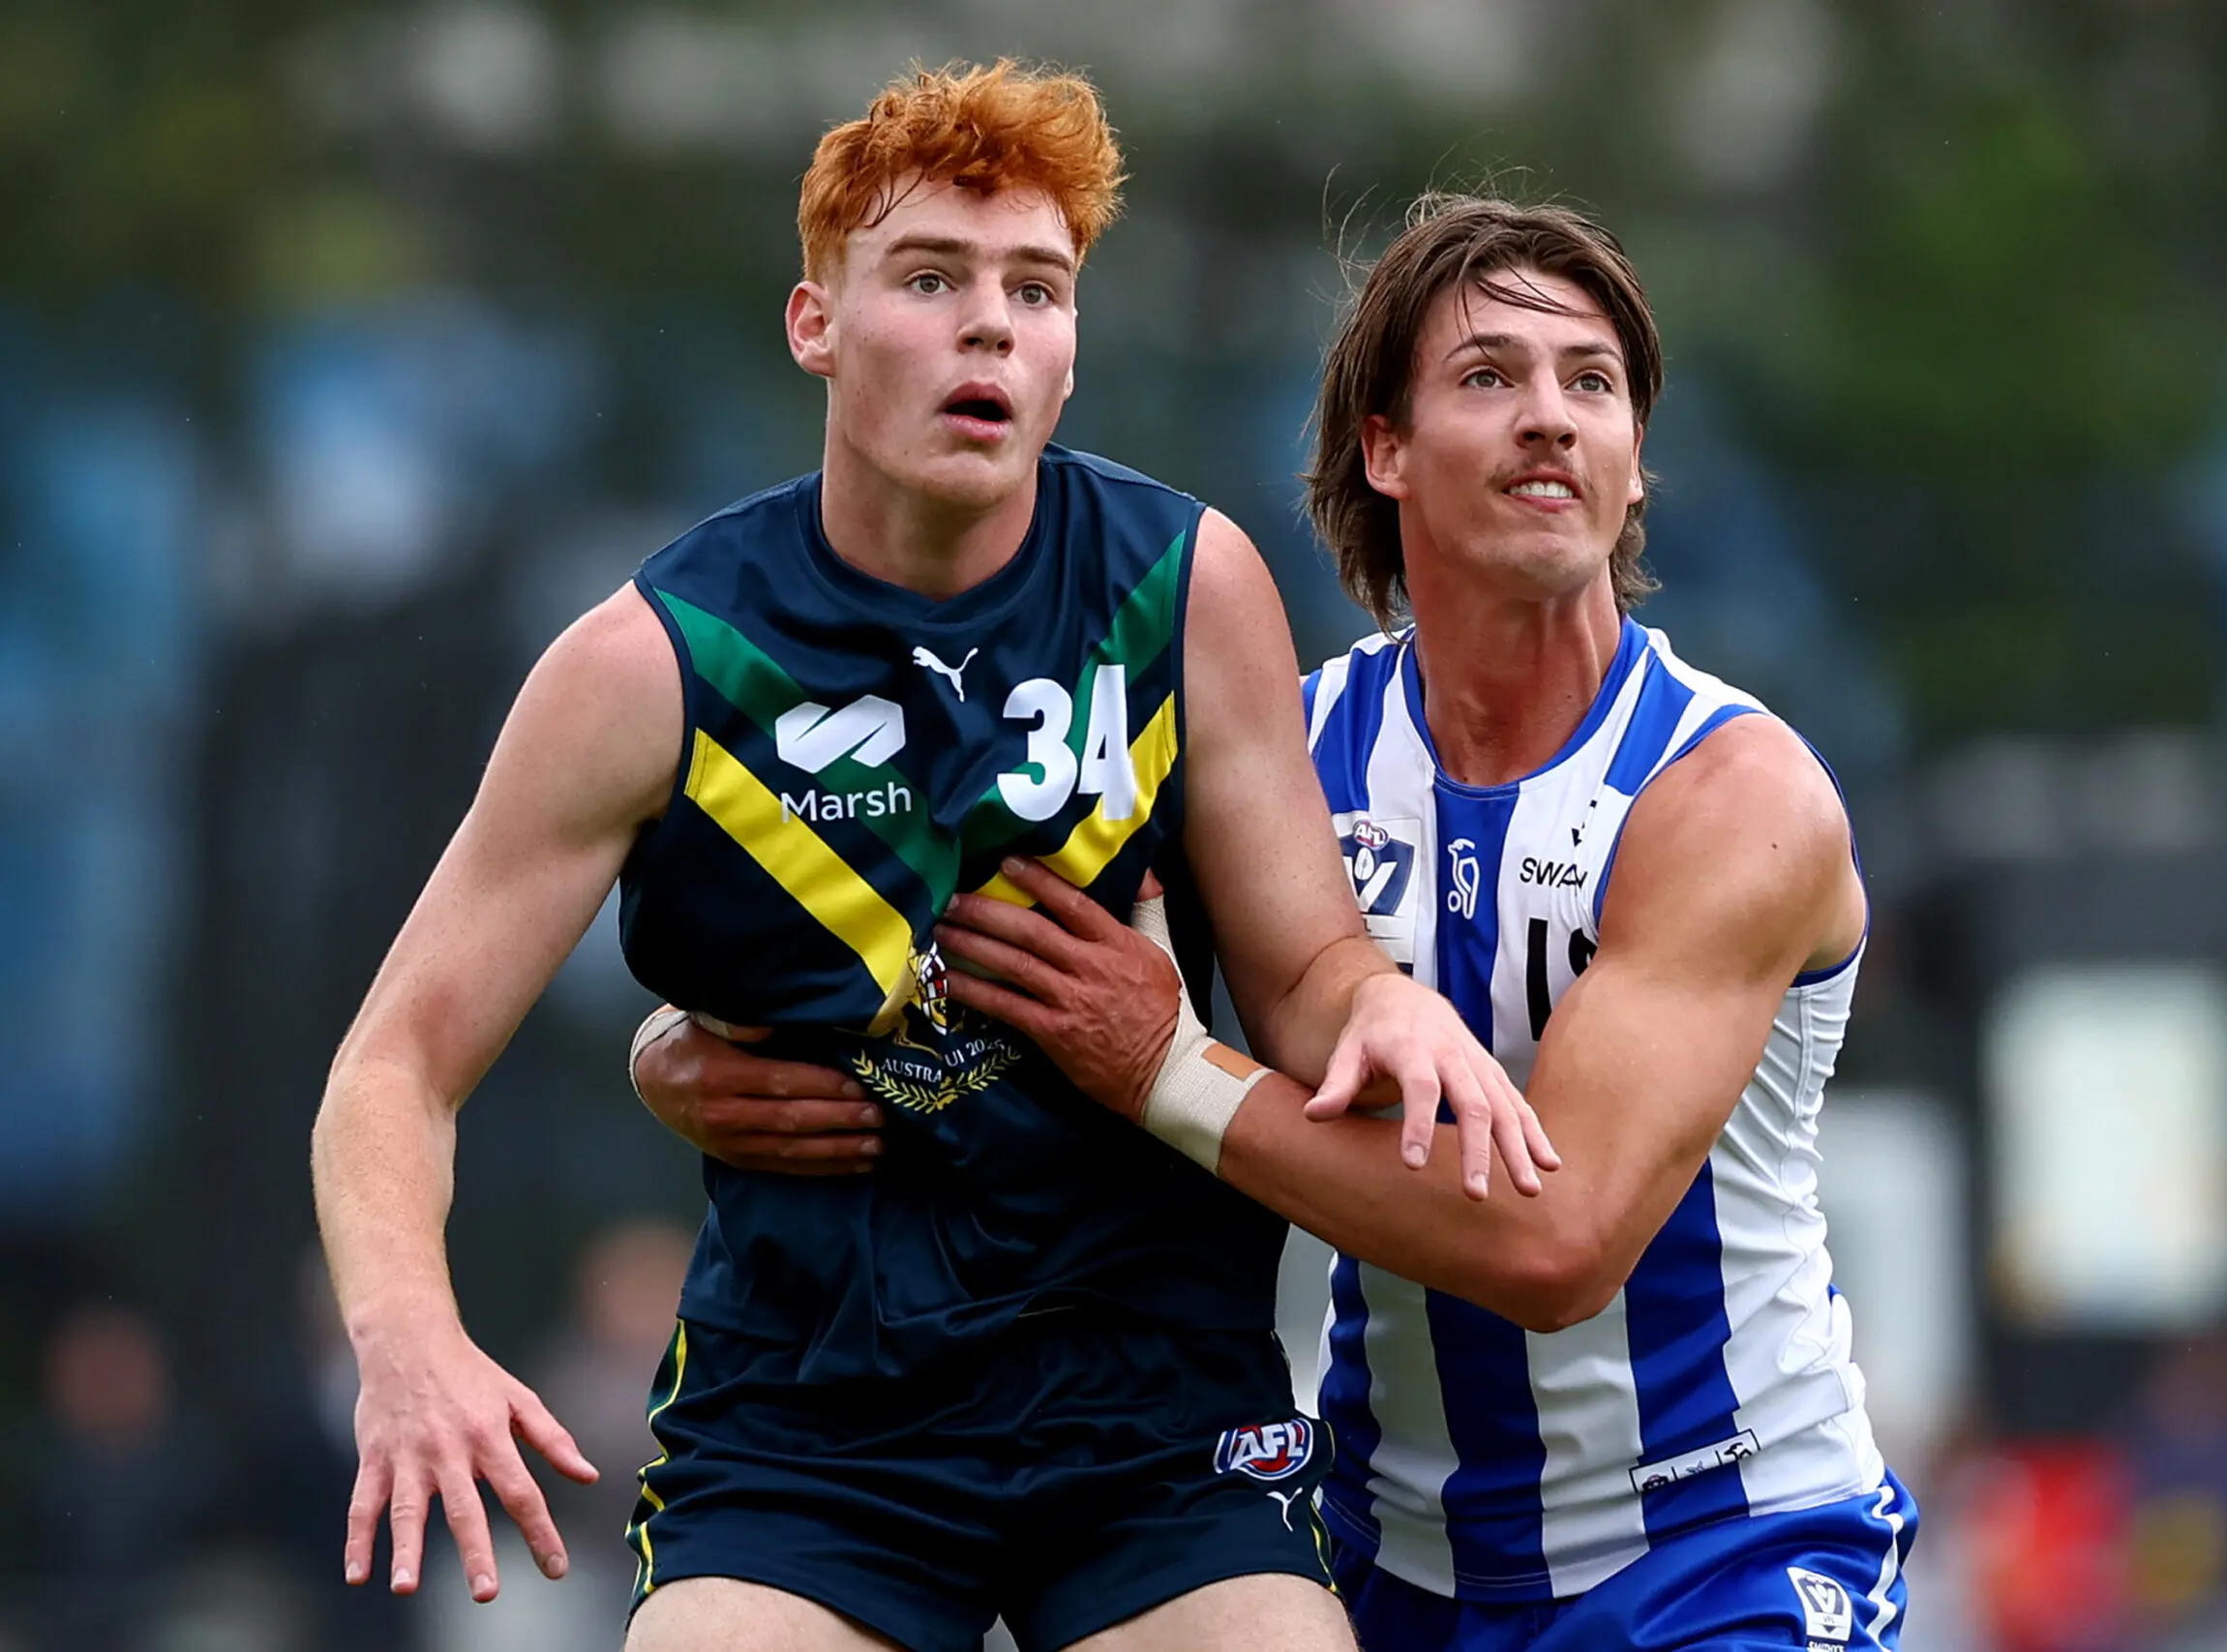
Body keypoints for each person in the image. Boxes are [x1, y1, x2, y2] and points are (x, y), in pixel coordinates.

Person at [311, 65, 1545, 1652]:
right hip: (809, 1423)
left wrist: (1381, 1003)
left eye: (1036, 289)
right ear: (815, 324)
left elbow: (1309, 969)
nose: (991, 328)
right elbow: (392, 1065)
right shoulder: (653, 661)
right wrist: (407, 1334)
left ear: (1071, 346)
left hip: (1153, 1410)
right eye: (930, 279)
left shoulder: (1184, 583)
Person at [641, 192, 1915, 1649]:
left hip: (1722, 1554)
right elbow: (956, 943)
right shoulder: (1286, 750)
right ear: (1385, 450)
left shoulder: (1732, 796)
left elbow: (1558, 1246)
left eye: (1594, 384)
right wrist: (689, 1040)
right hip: (1387, 1560)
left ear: (1634, 467)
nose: (1552, 419)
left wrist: (1170, 1070)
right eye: (1490, 376)